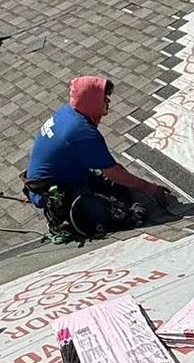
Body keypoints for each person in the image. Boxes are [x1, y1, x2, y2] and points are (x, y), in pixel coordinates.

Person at [23, 75, 170, 241]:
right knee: (127, 214)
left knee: (118, 186)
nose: (108, 101)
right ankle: (74, 218)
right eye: (103, 98)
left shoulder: (69, 111)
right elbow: (113, 173)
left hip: (56, 178)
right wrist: (150, 188)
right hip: (54, 193)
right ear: (91, 101)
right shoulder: (81, 132)